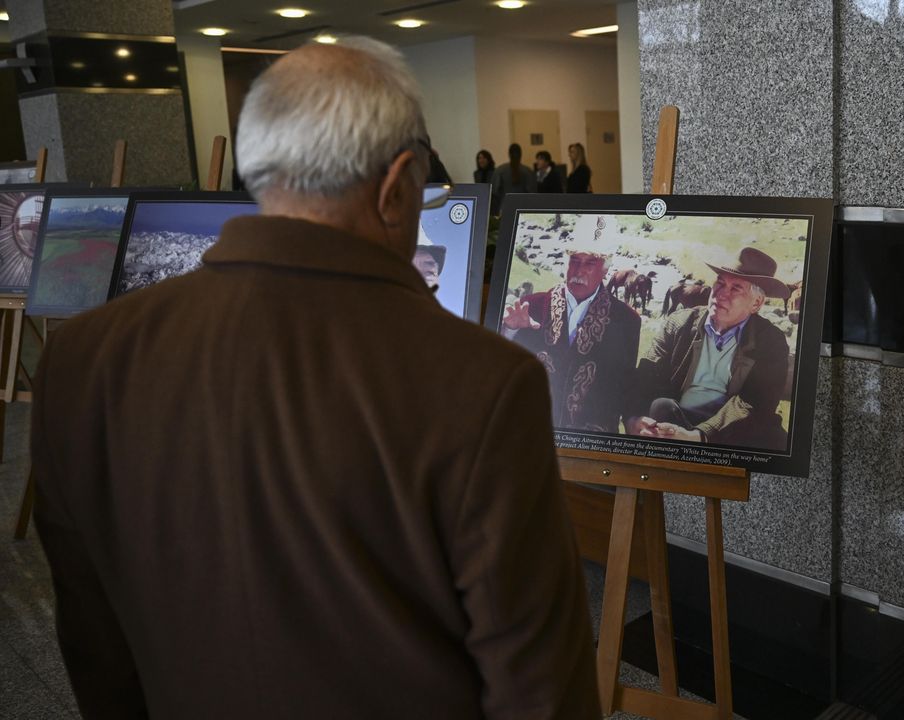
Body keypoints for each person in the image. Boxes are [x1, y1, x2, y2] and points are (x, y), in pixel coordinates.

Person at [31, 37, 598, 719]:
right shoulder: (484, 382)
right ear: (397, 187)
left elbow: (96, 646)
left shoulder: (83, 359)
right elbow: (539, 690)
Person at [626, 247, 791, 450]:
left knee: (775, 444)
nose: (720, 294)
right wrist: (633, 419)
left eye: (735, 289)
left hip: (733, 431)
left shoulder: (770, 341)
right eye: (720, 283)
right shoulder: (679, 323)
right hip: (674, 419)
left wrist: (700, 436)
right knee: (661, 406)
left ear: (756, 303)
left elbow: (756, 402)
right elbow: (645, 378)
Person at [502, 215, 640, 432]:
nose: (578, 271)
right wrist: (509, 330)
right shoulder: (531, 305)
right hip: (529, 433)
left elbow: (626, 385)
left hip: (590, 441)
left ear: (605, 269)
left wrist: (633, 420)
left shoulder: (627, 321)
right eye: (574, 260)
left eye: (590, 263)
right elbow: (501, 370)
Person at [491, 142, 536, 212]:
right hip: (523, 208)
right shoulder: (528, 171)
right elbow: (532, 193)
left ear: (509, 154)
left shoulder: (500, 170)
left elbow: (495, 192)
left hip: (505, 207)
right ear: (521, 155)